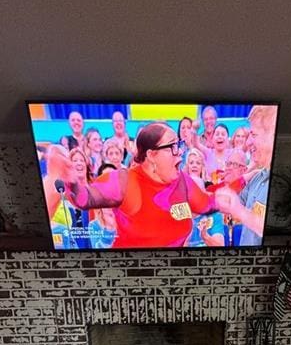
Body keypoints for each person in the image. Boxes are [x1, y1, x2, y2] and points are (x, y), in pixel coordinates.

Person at [72, 122, 235, 248]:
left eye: (178, 145)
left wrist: (242, 182)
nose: (179, 153)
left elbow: (207, 203)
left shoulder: (182, 181)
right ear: (151, 155)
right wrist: (65, 176)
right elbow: (84, 198)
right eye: (172, 147)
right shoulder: (125, 181)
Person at [215, 105, 278, 246]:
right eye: (229, 163)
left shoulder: (279, 182)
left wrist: (238, 210)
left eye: (254, 135)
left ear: (272, 136)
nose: (248, 142)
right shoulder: (256, 179)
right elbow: (232, 202)